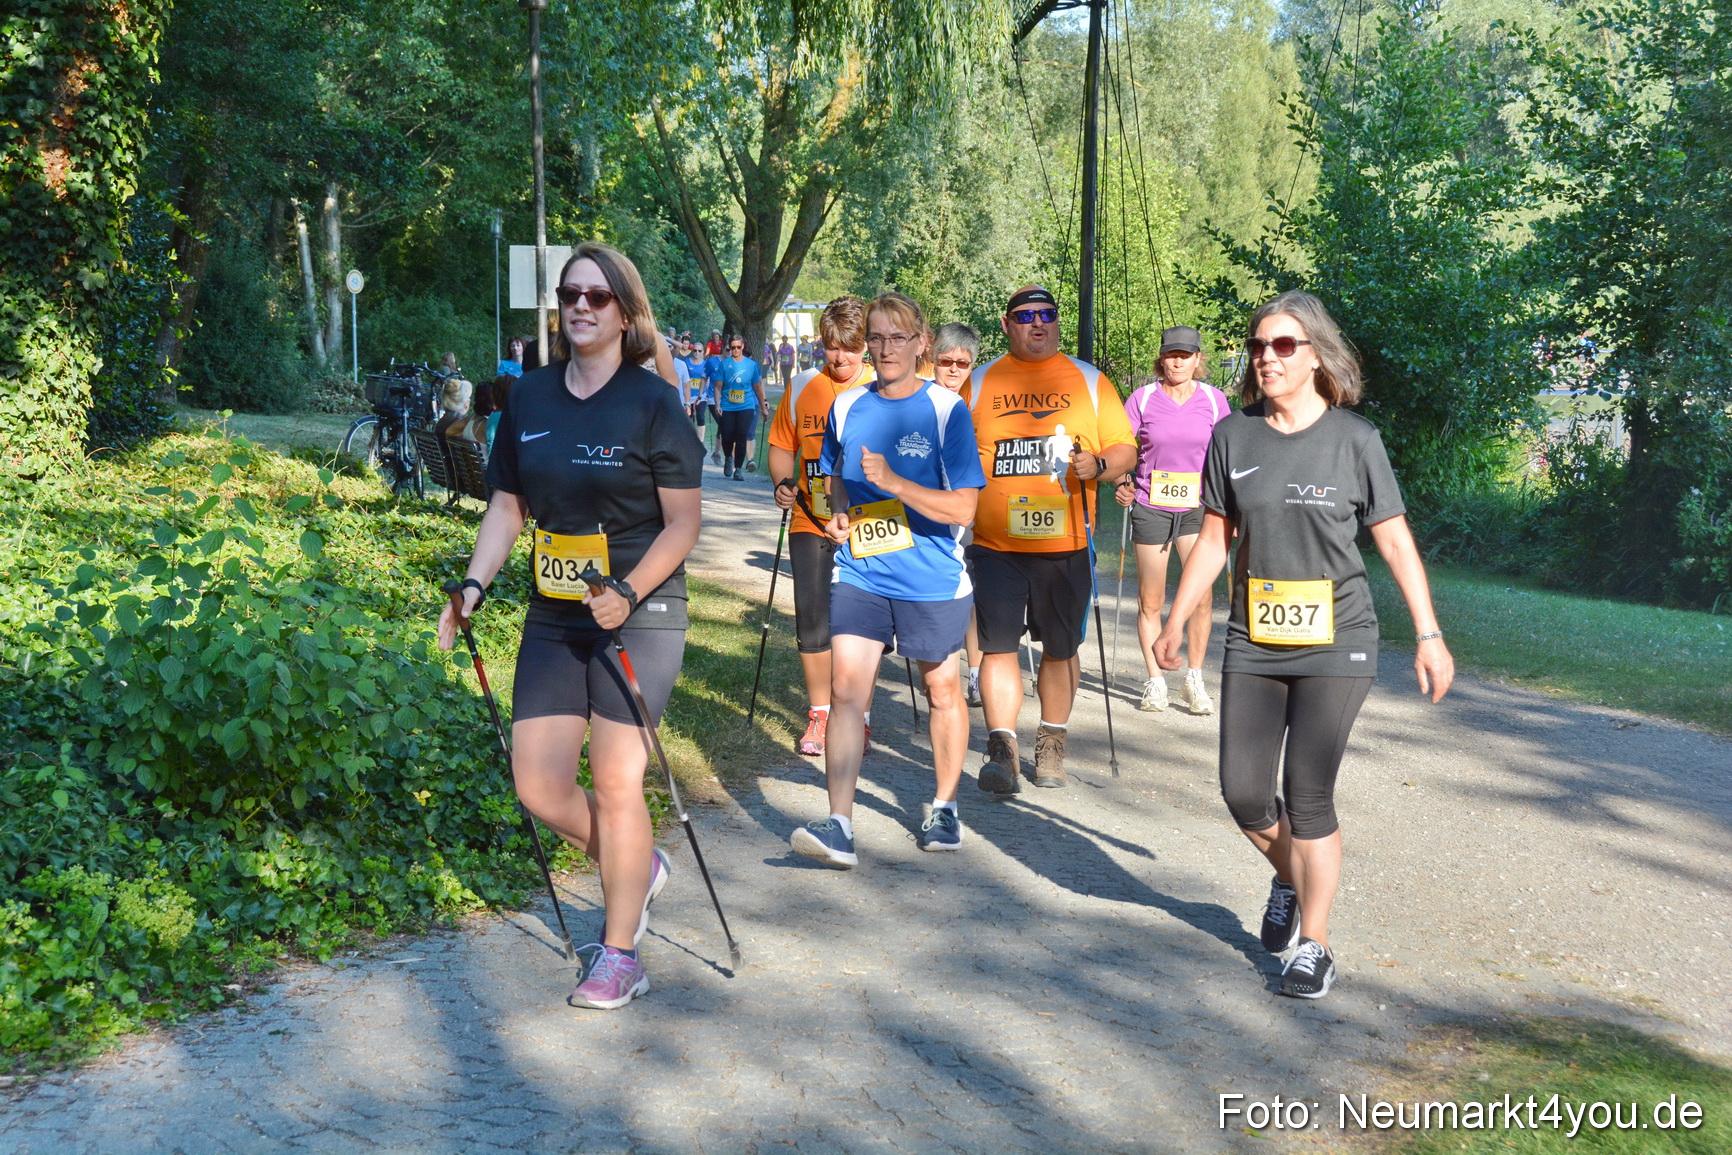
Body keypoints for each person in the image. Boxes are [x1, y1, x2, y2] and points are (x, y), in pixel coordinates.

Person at [1155, 289, 1454, 1000]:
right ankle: (1291, 875)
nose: (1266, 357)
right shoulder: (1234, 436)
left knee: (1308, 795)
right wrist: (1176, 616)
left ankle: (1314, 944)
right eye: (1258, 346)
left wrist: (1429, 632)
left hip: (1338, 638)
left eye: (1283, 345)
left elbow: (1392, 539)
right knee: (1244, 792)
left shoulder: (1356, 440)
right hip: (1255, 638)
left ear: (1315, 354)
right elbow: (1218, 537)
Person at [437, 241, 705, 1011]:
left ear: (625, 312)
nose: (581, 307)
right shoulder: (531, 397)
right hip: (556, 614)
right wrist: (474, 585)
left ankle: (620, 952)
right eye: (570, 295)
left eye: (597, 296)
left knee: (617, 781)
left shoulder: (653, 401)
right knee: (540, 784)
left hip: (642, 612)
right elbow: (507, 507)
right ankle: (638, 864)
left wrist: (627, 588)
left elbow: (683, 524)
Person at [788, 292, 986, 867]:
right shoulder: (847, 407)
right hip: (862, 571)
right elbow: (833, 479)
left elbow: (964, 510)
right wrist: (839, 513)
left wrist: (898, 484)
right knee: (847, 691)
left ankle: (945, 805)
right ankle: (839, 824)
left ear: (922, 343)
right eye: (876, 337)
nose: (885, 348)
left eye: (898, 337)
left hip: (931, 577)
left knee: (943, 690)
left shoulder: (947, 411)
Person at [964, 286, 1136, 792]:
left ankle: (1051, 744)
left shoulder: (1089, 380)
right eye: (1025, 316)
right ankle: (1002, 748)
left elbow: (1125, 448)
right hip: (994, 544)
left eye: (1047, 315)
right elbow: (950, 453)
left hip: (1065, 544)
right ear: (1006, 324)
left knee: (1060, 649)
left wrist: (1100, 465)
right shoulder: (978, 382)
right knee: (997, 648)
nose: (1037, 324)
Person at [768, 296, 876, 756]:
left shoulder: (885, 385)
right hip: (810, 519)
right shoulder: (801, 386)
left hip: (870, 523)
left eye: (851, 348)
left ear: (866, 346)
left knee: (864, 626)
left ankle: (859, 717)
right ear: (821, 343)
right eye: (833, 347)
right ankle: (821, 716)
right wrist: (781, 483)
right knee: (812, 621)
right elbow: (779, 446)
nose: (841, 359)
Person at [1117, 325, 1231, 714]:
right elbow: (1120, 448)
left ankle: (1194, 679)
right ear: (1161, 358)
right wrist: (1121, 481)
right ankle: (1155, 681)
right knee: (1151, 598)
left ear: (1199, 359)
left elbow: (1227, 454)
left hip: (1199, 508)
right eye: (1171, 354)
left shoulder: (1215, 402)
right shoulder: (1143, 398)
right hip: (1151, 504)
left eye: (1186, 354)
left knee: (1200, 597)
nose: (1178, 361)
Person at [931, 322, 987, 707]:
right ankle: (937, 668)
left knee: (973, 593)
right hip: (930, 510)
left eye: (962, 363)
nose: (953, 370)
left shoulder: (980, 398)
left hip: (973, 509)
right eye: (945, 361)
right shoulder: (917, 397)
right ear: (931, 359)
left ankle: (976, 675)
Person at [716, 335, 768, 480]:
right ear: (729, 348)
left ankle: (738, 469)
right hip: (727, 405)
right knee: (726, 436)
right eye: (733, 348)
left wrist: (763, 407)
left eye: (738, 347)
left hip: (746, 405)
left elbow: (758, 388)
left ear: (743, 346)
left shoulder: (751, 365)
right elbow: (718, 387)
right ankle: (728, 458)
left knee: (741, 436)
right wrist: (718, 404)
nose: (736, 350)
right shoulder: (724, 364)